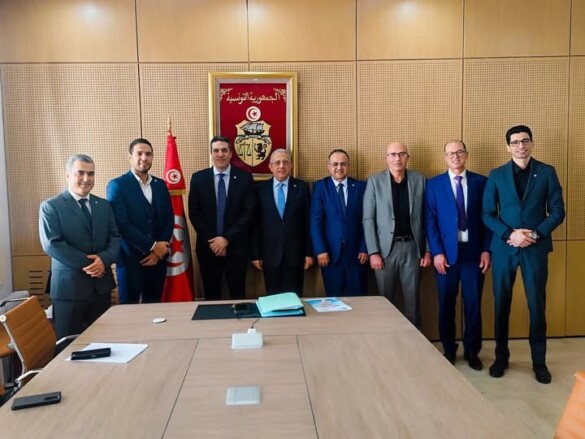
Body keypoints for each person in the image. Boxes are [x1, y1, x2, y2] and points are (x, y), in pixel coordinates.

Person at [482, 125, 565, 384]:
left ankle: (539, 362)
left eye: (525, 140)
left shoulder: (547, 172)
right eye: (515, 142)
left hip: (535, 249)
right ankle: (501, 357)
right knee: (501, 305)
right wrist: (510, 234)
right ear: (507, 146)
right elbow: (487, 214)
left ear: (532, 143)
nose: (521, 146)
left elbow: (558, 211)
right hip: (505, 249)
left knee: (537, 306)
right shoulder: (496, 175)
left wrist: (535, 234)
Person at [425, 140, 491, 370]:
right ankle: (449, 350)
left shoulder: (481, 182)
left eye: (459, 152)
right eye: (450, 153)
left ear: (466, 155)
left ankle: (472, 352)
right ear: (445, 157)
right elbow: (430, 221)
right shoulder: (433, 185)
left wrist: (486, 249)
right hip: (445, 256)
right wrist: (437, 252)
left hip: (473, 254)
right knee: (446, 305)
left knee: (473, 305)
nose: (455, 156)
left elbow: (488, 219)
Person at [39, 154, 121, 338]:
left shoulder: (104, 205)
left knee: (104, 342)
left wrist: (104, 260)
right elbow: (52, 245)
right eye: (80, 173)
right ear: (68, 175)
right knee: (68, 345)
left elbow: (115, 238)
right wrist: (92, 265)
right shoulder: (51, 206)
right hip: (69, 289)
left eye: (91, 174)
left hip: (101, 287)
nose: (86, 178)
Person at [363, 142, 431, 327]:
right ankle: (386, 340)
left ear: (407, 157)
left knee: (412, 302)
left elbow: (428, 217)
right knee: (385, 302)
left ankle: (414, 342)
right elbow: (368, 219)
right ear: (386, 159)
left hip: (413, 248)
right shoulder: (375, 181)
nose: (397, 158)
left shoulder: (420, 180)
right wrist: (373, 252)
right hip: (385, 251)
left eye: (402, 154)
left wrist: (428, 250)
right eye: (392, 155)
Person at [106, 138, 174, 304]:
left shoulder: (160, 185)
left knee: (154, 308)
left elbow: (169, 217)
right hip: (130, 261)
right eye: (139, 154)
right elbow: (121, 224)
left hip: (157, 261)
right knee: (129, 310)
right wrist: (152, 246)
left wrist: (158, 251)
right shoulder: (117, 185)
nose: (144, 158)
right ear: (130, 157)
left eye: (148, 154)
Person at [188, 135, 255, 300]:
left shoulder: (245, 178)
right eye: (216, 150)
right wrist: (214, 241)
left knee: (238, 295)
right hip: (208, 248)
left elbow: (249, 212)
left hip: (237, 248)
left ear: (231, 153)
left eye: (224, 150)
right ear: (211, 153)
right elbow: (194, 213)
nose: (220, 154)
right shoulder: (198, 179)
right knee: (211, 296)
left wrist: (226, 239)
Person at [251, 149, 313, 295]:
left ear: (291, 165)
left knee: (294, 299)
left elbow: (308, 223)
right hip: (269, 255)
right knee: (273, 299)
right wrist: (255, 254)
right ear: (270, 167)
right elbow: (255, 225)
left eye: (285, 162)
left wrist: (309, 253)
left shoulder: (302, 187)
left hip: (296, 255)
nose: (281, 166)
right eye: (277, 162)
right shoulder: (260, 189)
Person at [310, 149, 368, 296]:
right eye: (335, 164)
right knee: (333, 300)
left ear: (348, 166)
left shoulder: (361, 187)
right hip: (329, 255)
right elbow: (315, 222)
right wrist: (320, 250)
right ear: (328, 167)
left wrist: (365, 247)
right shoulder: (320, 187)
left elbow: (367, 220)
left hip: (357, 255)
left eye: (343, 164)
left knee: (359, 299)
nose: (339, 168)